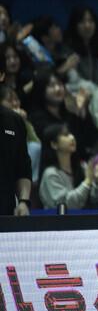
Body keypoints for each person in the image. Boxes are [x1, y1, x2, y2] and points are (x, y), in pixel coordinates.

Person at [38, 123, 98, 210]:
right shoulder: (50, 174)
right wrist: (87, 182)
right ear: (54, 144)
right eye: (66, 135)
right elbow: (65, 206)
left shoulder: (82, 168)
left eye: (71, 134)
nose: (72, 137)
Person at [0, 57, 32, 215]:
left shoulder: (14, 121)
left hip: (4, 213)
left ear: (1, 75)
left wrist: (23, 202)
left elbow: (23, 168)